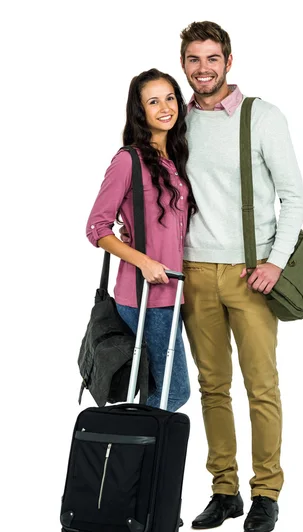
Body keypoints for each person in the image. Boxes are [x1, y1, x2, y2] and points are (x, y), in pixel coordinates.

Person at [179, 21, 303, 532]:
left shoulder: (262, 117)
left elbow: (293, 196)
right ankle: (224, 489)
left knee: (261, 387)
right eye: (194, 59)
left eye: (213, 58)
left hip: (251, 273)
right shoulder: (178, 121)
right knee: (212, 387)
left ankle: (266, 491)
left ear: (229, 62)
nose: (203, 68)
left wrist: (274, 261)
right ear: (184, 64)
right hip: (193, 271)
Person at [86, 68, 197, 412]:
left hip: (174, 294)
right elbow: (96, 227)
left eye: (170, 98)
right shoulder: (127, 160)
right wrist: (143, 260)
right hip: (146, 295)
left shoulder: (175, 160)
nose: (165, 107)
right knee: (173, 392)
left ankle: (137, 461)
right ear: (140, 111)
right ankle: (129, 460)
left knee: (158, 389)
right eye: (153, 101)